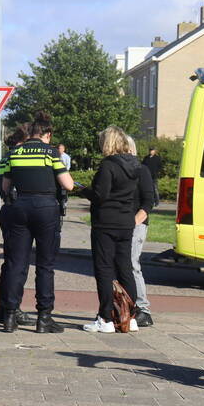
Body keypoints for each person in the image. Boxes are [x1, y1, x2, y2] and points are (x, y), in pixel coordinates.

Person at [0, 112, 75, 333]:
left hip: (19, 208)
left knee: (16, 263)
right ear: (47, 134)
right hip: (45, 209)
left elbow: (5, 188)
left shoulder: (15, 152)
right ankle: (44, 318)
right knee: (45, 265)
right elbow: (68, 185)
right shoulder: (50, 153)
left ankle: (10, 317)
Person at [81, 126, 145, 333]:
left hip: (105, 222)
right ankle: (130, 316)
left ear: (107, 143)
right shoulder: (136, 165)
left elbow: (100, 195)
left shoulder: (108, 165)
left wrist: (82, 190)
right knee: (125, 268)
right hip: (126, 222)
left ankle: (106, 318)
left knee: (104, 269)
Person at [0, 123, 33, 326]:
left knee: (10, 263)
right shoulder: (15, 157)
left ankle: (4, 307)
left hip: (8, 212)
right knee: (18, 265)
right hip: (17, 211)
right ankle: (12, 307)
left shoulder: (6, 157)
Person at [129, 138, 156, 327]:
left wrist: (135, 221)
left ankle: (143, 310)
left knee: (132, 263)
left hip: (137, 224)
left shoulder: (142, 170)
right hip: (122, 224)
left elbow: (148, 201)